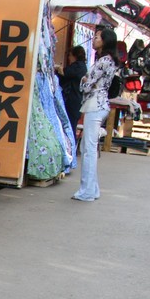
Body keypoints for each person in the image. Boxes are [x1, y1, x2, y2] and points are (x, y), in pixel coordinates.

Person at [72, 28, 118, 202]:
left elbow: (87, 84)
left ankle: (87, 191)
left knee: (88, 149)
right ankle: (92, 188)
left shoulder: (103, 61)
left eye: (97, 37)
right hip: (100, 103)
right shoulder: (109, 61)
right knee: (88, 147)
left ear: (104, 41)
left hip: (94, 104)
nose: (94, 39)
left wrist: (84, 81)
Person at [55, 45, 88, 140]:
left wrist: (58, 69)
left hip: (72, 100)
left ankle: (71, 145)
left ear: (74, 56)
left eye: (70, 56)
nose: (69, 58)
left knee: (70, 125)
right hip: (77, 100)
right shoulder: (82, 67)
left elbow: (65, 74)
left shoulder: (77, 67)